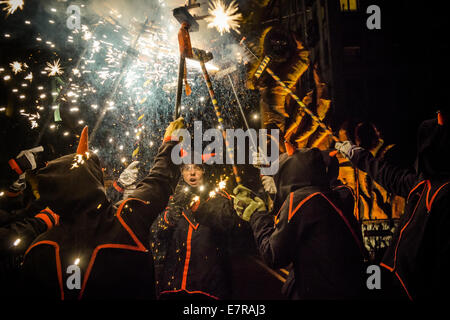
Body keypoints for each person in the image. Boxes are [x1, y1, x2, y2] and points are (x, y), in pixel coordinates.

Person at [17, 117, 185, 299]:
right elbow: (159, 181)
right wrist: (171, 143)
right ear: (93, 182)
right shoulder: (126, 222)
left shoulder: (40, 248)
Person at [335, 108, 450, 300]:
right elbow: (387, 174)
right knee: (371, 286)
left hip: (410, 287)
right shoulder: (422, 182)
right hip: (387, 269)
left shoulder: (442, 193)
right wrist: (357, 155)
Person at [234, 148, 366, 299]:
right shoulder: (330, 196)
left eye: (278, 176)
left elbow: (273, 255)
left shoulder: (300, 202)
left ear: (287, 176)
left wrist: (256, 214)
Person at [150, 156, 244, 300]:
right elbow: (156, 235)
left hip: (208, 289)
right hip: (173, 288)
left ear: (204, 171)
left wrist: (197, 205)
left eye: (197, 168)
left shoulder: (219, 198)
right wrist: (167, 220)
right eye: (187, 168)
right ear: (181, 173)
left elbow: (231, 225)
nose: (192, 173)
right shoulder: (172, 199)